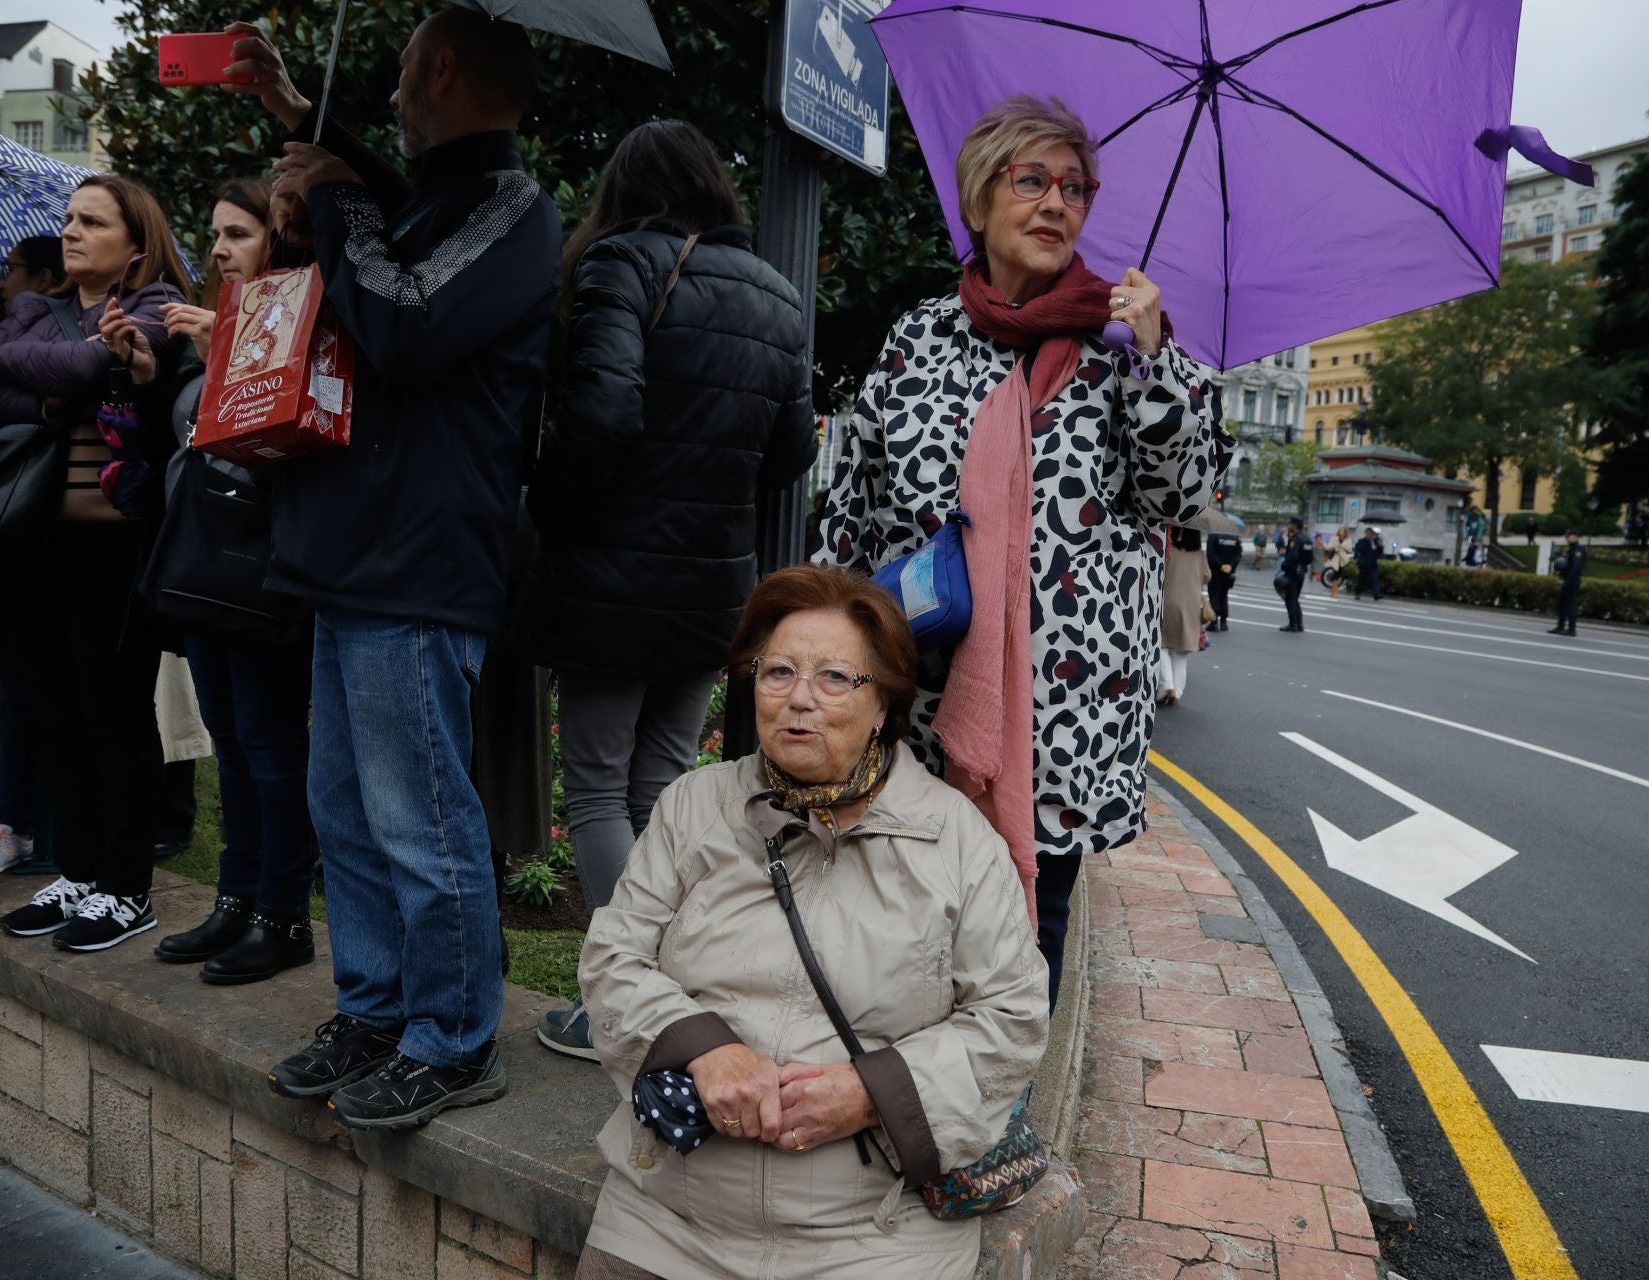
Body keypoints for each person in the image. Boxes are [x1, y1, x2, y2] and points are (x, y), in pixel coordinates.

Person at [817, 94, 1231, 1007]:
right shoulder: (918, 339)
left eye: (1075, 188)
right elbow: (852, 506)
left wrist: (1155, 358)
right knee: (901, 914)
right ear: (979, 200)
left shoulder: (1128, 344)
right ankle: (904, 1099)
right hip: (923, 683)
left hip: (1068, 706)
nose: (1057, 203)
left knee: (1026, 932)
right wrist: (834, 645)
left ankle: (996, 1123)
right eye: (1032, 180)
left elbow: (1186, 494)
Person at [229, 10, 561, 1127]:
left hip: (419, 563)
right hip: (352, 554)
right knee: (349, 814)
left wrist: (328, 195)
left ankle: (457, 1037)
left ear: (445, 67)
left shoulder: (513, 207)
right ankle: (376, 1008)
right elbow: (387, 209)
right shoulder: (435, 196)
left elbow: (408, 316)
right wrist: (294, 121)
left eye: (407, 67)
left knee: (418, 817)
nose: (394, 88)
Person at [576, 565, 1048, 1280]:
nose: (799, 699)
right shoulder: (694, 806)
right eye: (778, 673)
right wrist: (705, 1049)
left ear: (885, 700)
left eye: (834, 678)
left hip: (876, 1236)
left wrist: (868, 1094)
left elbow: (1011, 1019)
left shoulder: (957, 841)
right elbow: (613, 956)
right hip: (667, 1214)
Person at [515, 121, 817, 1061]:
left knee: (601, 794)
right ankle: (685, 998)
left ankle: (638, 1009)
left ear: (623, 189)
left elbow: (601, 413)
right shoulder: (775, 292)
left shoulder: (622, 264)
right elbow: (793, 453)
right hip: (715, 590)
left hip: (612, 575)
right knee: (664, 795)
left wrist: (552, 508)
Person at [0, 176, 192, 950]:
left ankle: (126, 886)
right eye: (69, 219)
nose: (73, 232)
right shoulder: (31, 309)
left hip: (110, 543)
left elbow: (93, 373)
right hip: (25, 540)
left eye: (92, 221)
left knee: (111, 713)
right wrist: (52, 394)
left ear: (136, 244)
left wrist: (35, 369)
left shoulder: (152, 308)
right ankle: (80, 871)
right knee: (49, 711)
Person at [148, 177, 322, 986]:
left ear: (277, 244)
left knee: (270, 749)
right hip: (204, 570)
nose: (218, 248)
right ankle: (236, 900)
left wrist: (236, 339)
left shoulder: (303, 325)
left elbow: (291, 428)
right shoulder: (209, 333)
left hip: (266, 574)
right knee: (232, 748)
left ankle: (282, 916)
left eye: (238, 234)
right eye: (213, 234)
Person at [0, 237, 66, 874]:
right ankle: (12, 816)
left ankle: (46, 829)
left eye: (11, 271)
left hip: (61, 535)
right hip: (13, 536)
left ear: (41, 277)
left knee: (57, 695)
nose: (1, 282)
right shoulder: (6, 332)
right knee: (16, 686)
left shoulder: (87, 325)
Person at [1156, 527, 1209, 706]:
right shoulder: (1200, 555)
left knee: (1162, 645)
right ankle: (1177, 692)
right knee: (1182, 651)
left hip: (1169, 602)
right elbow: (1206, 576)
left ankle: (1166, 686)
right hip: (1191, 606)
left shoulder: (1171, 552)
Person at [1550, 529, 1587, 636]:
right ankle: (1560, 626)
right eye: (1566, 536)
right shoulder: (1570, 550)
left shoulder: (1578, 550)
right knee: (1561, 604)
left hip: (1572, 581)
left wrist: (1567, 579)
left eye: (1568, 536)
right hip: (1566, 580)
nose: (1567, 538)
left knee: (1570, 605)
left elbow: (1576, 567)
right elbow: (1565, 564)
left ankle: (1571, 629)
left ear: (1575, 537)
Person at [1278, 517, 1312, 632]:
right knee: (1295, 598)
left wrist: (1284, 566)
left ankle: (1293, 624)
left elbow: (1292, 557)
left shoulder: (1295, 539)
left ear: (1296, 525)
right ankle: (1299, 623)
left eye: (1291, 524)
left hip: (1292, 571)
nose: (1289, 525)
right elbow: (1309, 558)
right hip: (1301, 570)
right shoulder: (1307, 539)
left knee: (1290, 598)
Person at [1205, 528, 1241, 629]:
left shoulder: (1213, 536)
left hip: (1215, 571)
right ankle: (1224, 622)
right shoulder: (1234, 537)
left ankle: (1214, 621)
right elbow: (1238, 554)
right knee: (1224, 595)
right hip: (1228, 573)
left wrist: (1220, 566)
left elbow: (1210, 555)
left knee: (1214, 595)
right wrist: (1231, 566)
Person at [1353, 526, 1383, 601]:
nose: (1370, 534)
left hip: (1373, 564)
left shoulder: (1376, 541)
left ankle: (1376, 594)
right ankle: (1357, 593)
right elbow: (1362, 549)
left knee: (1374, 579)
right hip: (1364, 564)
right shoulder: (1362, 541)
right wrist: (1372, 546)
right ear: (1366, 533)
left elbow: (1379, 552)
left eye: (1371, 533)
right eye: (1368, 533)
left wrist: (1380, 546)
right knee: (1361, 580)